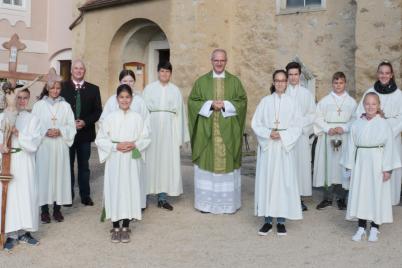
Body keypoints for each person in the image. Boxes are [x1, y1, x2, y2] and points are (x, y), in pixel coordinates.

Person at [188, 49, 247, 214]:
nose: (219, 63)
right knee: (207, 164)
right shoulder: (201, 82)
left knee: (227, 165)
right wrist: (210, 104)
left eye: (222, 60)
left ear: (226, 61)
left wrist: (226, 104)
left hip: (228, 131)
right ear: (211, 61)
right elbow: (192, 102)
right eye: (216, 60)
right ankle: (205, 205)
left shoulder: (235, 82)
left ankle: (227, 205)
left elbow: (242, 101)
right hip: (207, 133)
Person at [341, 92, 401, 242]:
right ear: (363, 105)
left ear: (378, 106)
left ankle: (375, 227)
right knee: (362, 193)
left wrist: (388, 169)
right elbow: (351, 147)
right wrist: (349, 167)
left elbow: (389, 147)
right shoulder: (356, 124)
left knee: (376, 194)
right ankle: (361, 227)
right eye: (367, 103)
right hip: (361, 164)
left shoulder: (384, 124)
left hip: (377, 164)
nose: (370, 106)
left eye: (374, 104)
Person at [96, 84, 150, 243]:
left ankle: (125, 226)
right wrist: (115, 146)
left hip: (131, 160)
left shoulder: (137, 117)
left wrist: (135, 144)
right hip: (115, 157)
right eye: (121, 97)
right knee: (115, 189)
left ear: (132, 99)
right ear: (116, 99)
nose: (124, 100)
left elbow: (146, 137)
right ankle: (114, 225)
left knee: (129, 189)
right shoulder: (110, 118)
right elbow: (100, 139)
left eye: (127, 97)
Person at [252, 69, 302, 236]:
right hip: (269, 148)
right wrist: (268, 134)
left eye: (283, 80)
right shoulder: (265, 101)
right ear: (273, 82)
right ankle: (267, 220)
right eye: (277, 80)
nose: (280, 83)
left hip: (283, 147)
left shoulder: (293, 103)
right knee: (267, 181)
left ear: (287, 83)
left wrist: (283, 135)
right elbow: (256, 123)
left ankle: (281, 221)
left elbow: (297, 126)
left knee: (282, 183)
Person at [99, 69, 149, 209]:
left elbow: (146, 123)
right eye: (125, 81)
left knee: (134, 177)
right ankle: (116, 207)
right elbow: (104, 122)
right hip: (117, 148)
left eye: (131, 81)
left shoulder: (140, 101)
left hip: (134, 147)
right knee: (117, 180)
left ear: (134, 82)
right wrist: (114, 144)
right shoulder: (111, 100)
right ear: (120, 82)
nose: (128, 83)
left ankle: (136, 205)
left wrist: (136, 143)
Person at [142, 62, 189, 211]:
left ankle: (162, 198)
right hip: (151, 129)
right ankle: (143, 197)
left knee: (165, 163)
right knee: (149, 161)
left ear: (170, 73)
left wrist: (179, 136)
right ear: (158, 72)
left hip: (169, 131)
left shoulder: (175, 90)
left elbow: (180, 115)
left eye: (167, 72)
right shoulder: (149, 89)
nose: (164, 74)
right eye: (162, 71)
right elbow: (143, 112)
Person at [355, 61, 402, 205]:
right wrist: (374, 126)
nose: (384, 75)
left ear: (392, 75)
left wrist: (385, 131)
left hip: (392, 139)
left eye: (387, 73)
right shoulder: (370, 92)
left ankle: (389, 202)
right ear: (377, 74)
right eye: (381, 72)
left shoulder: (399, 94)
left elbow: (401, 117)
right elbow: (360, 113)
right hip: (371, 141)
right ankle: (371, 201)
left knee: (388, 168)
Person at [0, 88, 41, 251]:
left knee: (26, 195)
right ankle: (10, 233)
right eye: (18, 98)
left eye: (25, 98)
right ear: (12, 99)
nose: (21, 101)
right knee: (9, 197)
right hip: (8, 160)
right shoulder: (2, 117)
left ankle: (25, 232)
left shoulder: (32, 119)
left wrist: (18, 133)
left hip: (25, 160)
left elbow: (35, 142)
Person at [32, 79, 76, 223]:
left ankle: (57, 209)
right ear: (47, 88)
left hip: (60, 146)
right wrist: (45, 131)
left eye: (58, 88)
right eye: (52, 88)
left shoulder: (66, 106)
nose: (55, 90)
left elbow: (71, 126)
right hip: (44, 146)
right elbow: (33, 126)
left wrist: (61, 131)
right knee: (44, 175)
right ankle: (44, 210)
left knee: (59, 175)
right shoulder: (39, 105)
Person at [61, 59, 102, 206]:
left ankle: (85, 195)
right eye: (76, 68)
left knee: (84, 166)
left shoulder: (93, 89)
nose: (79, 71)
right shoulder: (62, 87)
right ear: (71, 71)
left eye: (81, 69)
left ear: (84, 71)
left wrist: (85, 121)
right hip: (67, 134)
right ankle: (68, 196)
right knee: (68, 165)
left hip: (85, 134)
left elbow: (98, 111)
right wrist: (69, 123)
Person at [313, 72, 357, 210]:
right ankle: (327, 198)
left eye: (341, 83)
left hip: (344, 137)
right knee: (328, 168)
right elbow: (317, 118)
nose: (338, 85)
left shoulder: (351, 102)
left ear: (345, 84)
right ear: (332, 83)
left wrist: (343, 128)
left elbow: (355, 120)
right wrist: (327, 128)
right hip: (328, 138)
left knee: (342, 167)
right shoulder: (324, 101)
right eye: (336, 83)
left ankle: (342, 198)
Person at [285, 62, 316, 211]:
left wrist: (301, 127)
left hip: (301, 136)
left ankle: (299, 198)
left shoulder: (306, 94)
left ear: (300, 75)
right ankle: (286, 197)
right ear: (287, 76)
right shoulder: (282, 92)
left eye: (295, 74)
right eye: (290, 75)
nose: (293, 77)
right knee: (287, 166)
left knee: (301, 166)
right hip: (285, 136)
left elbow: (312, 114)